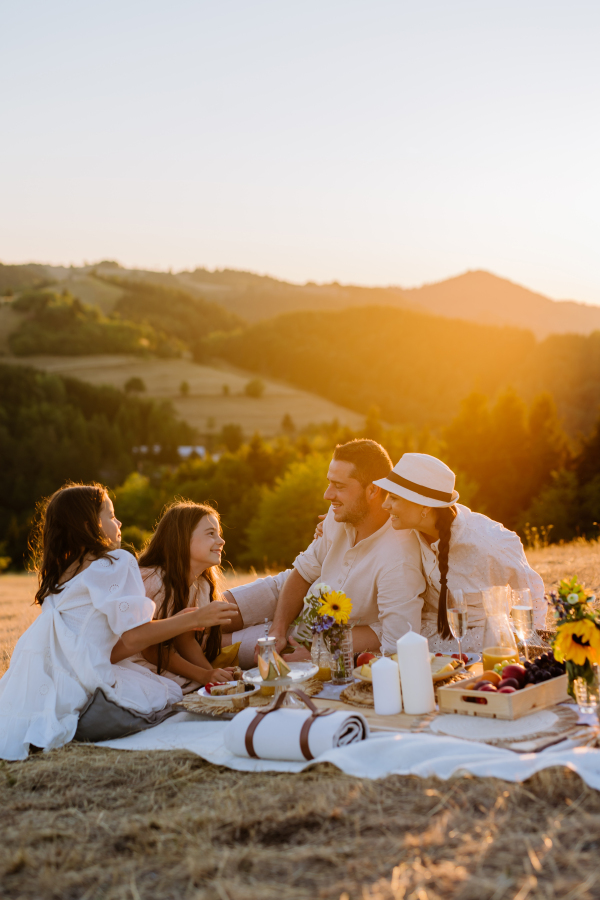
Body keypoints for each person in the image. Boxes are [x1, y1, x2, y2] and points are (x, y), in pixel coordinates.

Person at [0, 484, 237, 760]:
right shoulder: (115, 562)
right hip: (88, 675)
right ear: (90, 525)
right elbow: (134, 638)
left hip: (48, 673)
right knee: (166, 693)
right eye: (111, 516)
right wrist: (194, 619)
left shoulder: (64, 573)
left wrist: (179, 622)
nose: (119, 522)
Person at [221, 439, 426, 666]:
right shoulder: (340, 514)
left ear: (373, 491)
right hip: (288, 593)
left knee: (210, 644)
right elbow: (304, 571)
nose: (327, 495)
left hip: (315, 634)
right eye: (330, 483)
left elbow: (394, 639)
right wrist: (277, 629)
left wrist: (319, 652)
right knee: (209, 615)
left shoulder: (398, 559)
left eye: (339, 487)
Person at [372, 453, 547, 653]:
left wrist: (532, 646)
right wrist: (330, 525)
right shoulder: (405, 528)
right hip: (425, 635)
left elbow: (531, 591)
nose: (385, 505)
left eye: (393, 498)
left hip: (481, 642)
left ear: (425, 506)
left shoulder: (488, 543)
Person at [130, 501, 241, 691]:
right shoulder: (154, 581)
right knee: (177, 689)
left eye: (219, 534)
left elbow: (185, 640)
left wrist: (213, 677)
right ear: (181, 538)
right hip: (137, 663)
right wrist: (204, 675)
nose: (221, 541)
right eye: (210, 533)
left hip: (164, 660)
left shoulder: (200, 585)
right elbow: (151, 649)